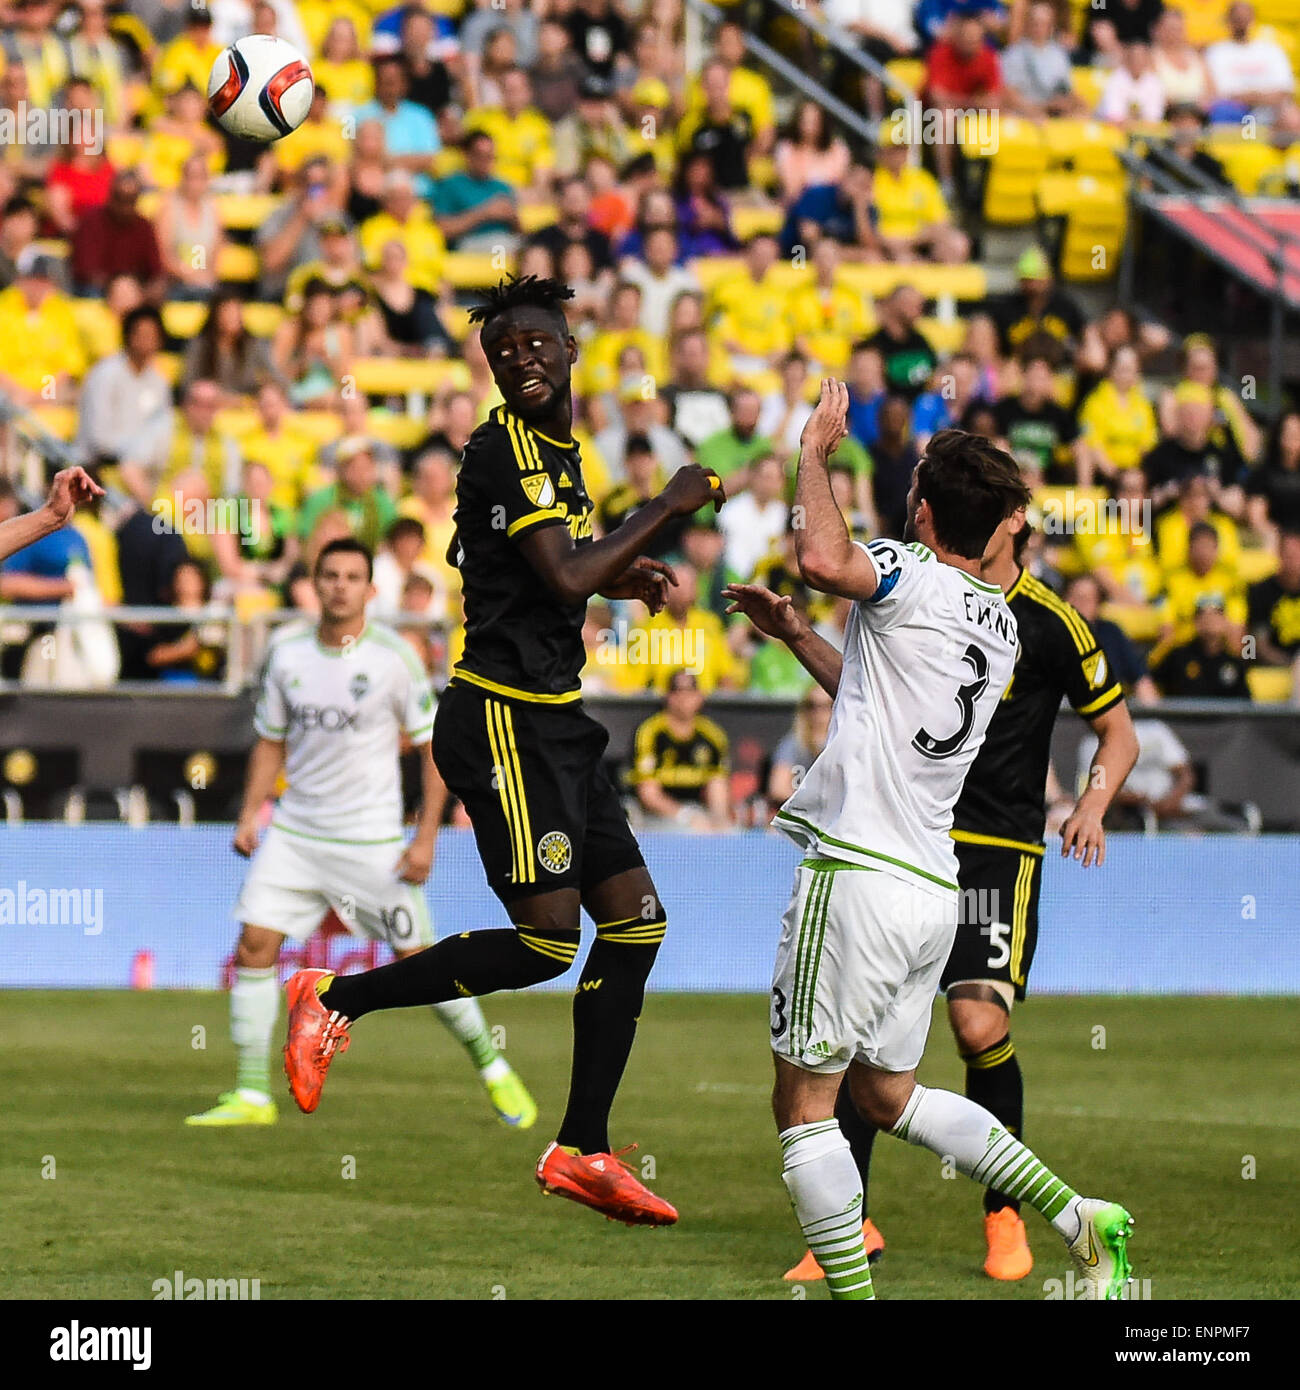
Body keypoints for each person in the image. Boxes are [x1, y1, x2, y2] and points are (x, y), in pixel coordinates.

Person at [281, 275, 723, 1226]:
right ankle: (334, 996)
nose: (520, 357)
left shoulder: (557, 451)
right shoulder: (510, 447)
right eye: (502, 349)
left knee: (637, 923)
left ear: (571, 351)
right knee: (545, 942)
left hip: (556, 721)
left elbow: (556, 577)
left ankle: (583, 1147)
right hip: (503, 721)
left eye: (535, 343)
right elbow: (563, 571)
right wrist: (669, 506)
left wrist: (620, 569)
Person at [724, 401, 1134, 1301]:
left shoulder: (910, 574)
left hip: (859, 872)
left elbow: (824, 558)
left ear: (921, 512)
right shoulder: (996, 619)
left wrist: (812, 453)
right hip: (928, 886)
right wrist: (797, 634)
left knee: (803, 1110)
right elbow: (882, 698)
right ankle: (1078, 1217)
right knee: (888, 1096)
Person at [187, 537, 533, 1126]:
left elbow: (434, 749)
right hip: (296, 833)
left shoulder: (395, 657)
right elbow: (271, 741)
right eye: (330, 575)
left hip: (373, 842)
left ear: (371, 590)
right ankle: (251, 1093)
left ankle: (492, 1066)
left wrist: (425, 836)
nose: (340, 586)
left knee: (418, 959)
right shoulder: (287, 652)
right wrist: (251, 812)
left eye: (353, 577)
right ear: (315, 584)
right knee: (254, 947)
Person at [628, 669, 732, 829]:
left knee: (730, 831)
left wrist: (719, 823)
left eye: (690, 691)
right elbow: (648, 794)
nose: (684, 698)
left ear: (699, 697)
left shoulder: (712, 735)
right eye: (677, 691)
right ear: (668, 696)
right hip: (656, 816)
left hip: (698, 810)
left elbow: (717, 786)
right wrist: (685, 816)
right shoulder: (651, 731)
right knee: (689, 831)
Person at [1153, 593, 1253, 699]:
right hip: (1184, 714)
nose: (1209, 620)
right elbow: (1151, 682)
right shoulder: (1178, 657)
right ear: (1195, 621)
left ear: (1225, 621)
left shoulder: (1234, 662)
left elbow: (1244, 704)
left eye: (1216, 615)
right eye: (1203, 615)